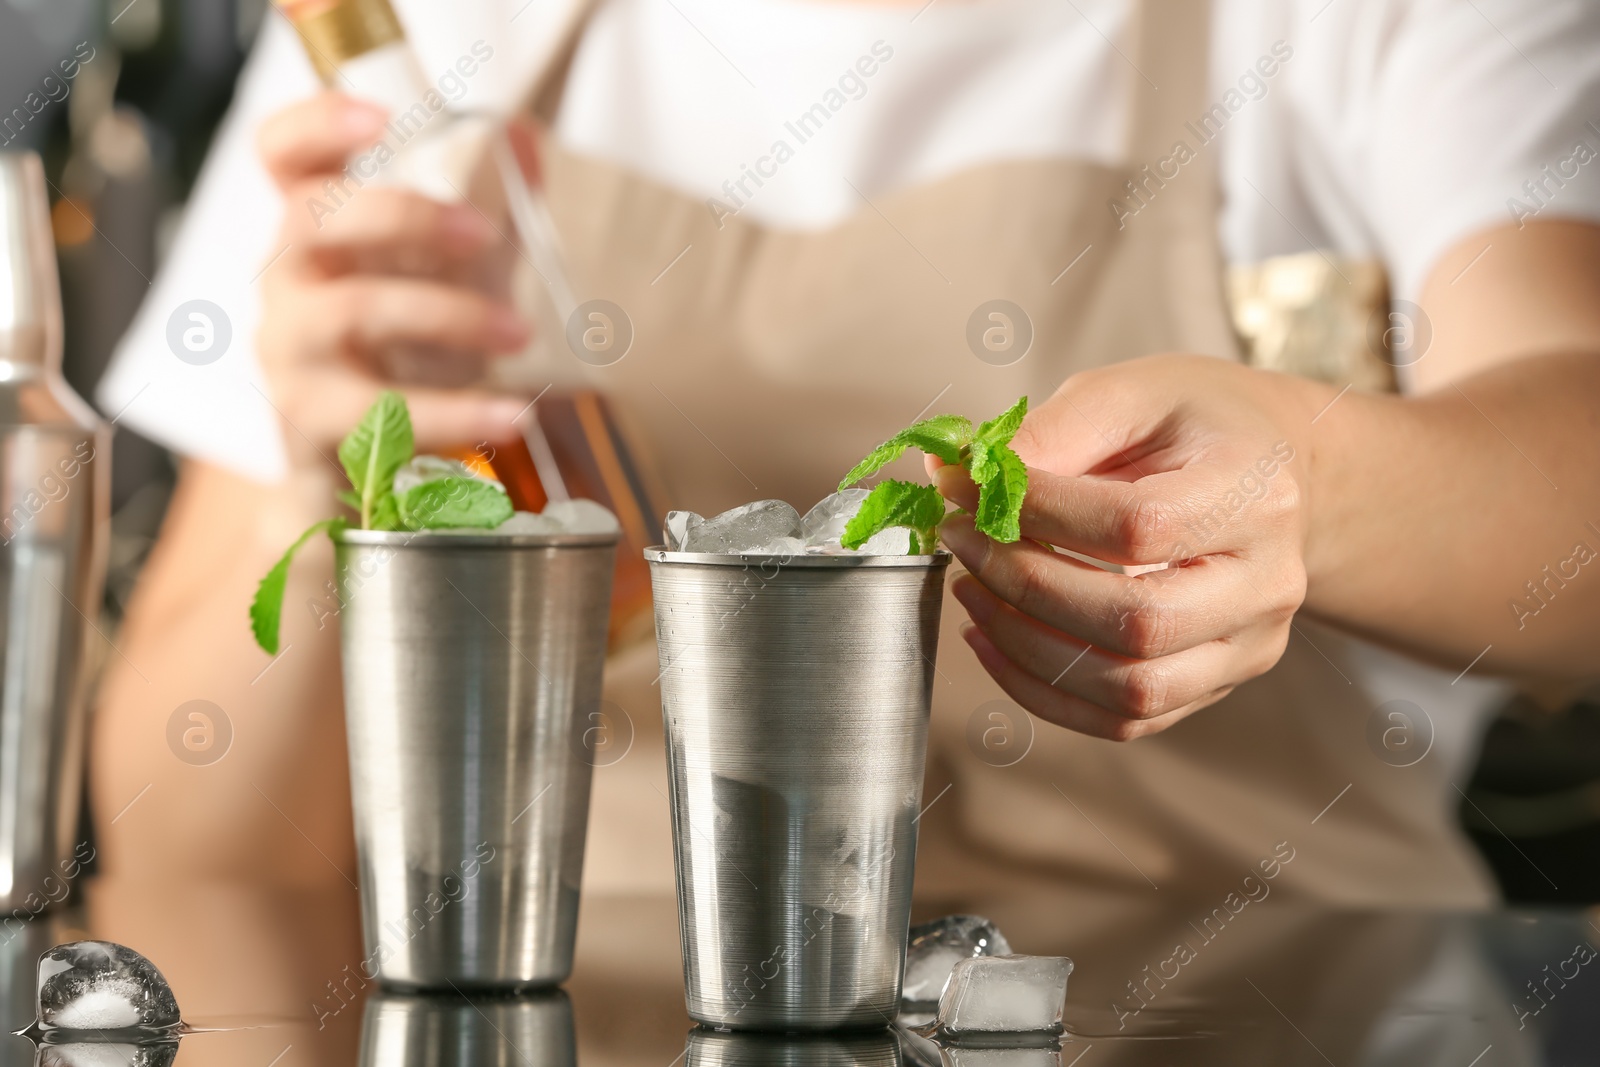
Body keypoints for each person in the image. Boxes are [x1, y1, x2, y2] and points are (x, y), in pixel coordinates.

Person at [91, 0, 1600, 907]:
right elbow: (190, 838)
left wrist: (1311, 482)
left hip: (1281, 1000)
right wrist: (330, 478)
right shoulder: (400, 47)